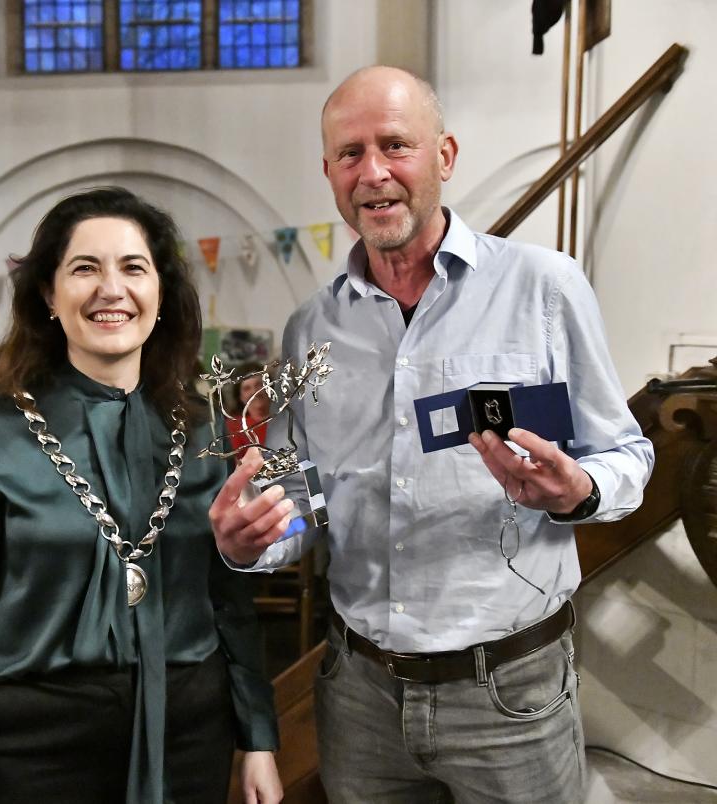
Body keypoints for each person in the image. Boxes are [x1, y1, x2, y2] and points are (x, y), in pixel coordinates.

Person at [210, 66, 655, 803]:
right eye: (349, 154)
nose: (373, 172)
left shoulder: (545, 289)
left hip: (511, 693)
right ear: (328, 173)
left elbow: (628, 456)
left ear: (444, 157)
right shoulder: (310, 329)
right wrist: (254, 541)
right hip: (359, 694)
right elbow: (301, 493)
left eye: (396, 146)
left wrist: (578, 491)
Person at [0, 187, 282, 804]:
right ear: (47, 296)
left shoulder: (201, 431)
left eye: (133, 268)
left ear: (160, 295)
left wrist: (258, 735)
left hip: (189, 730)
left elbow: (227, 599)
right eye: (85, 268)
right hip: (38, 744)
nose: (112, 288)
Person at [225, 360, 273, 451]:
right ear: (240, 396)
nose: (254, 392)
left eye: (259, 385)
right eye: (247, 388)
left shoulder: (285, 418)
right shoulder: (233, 428)